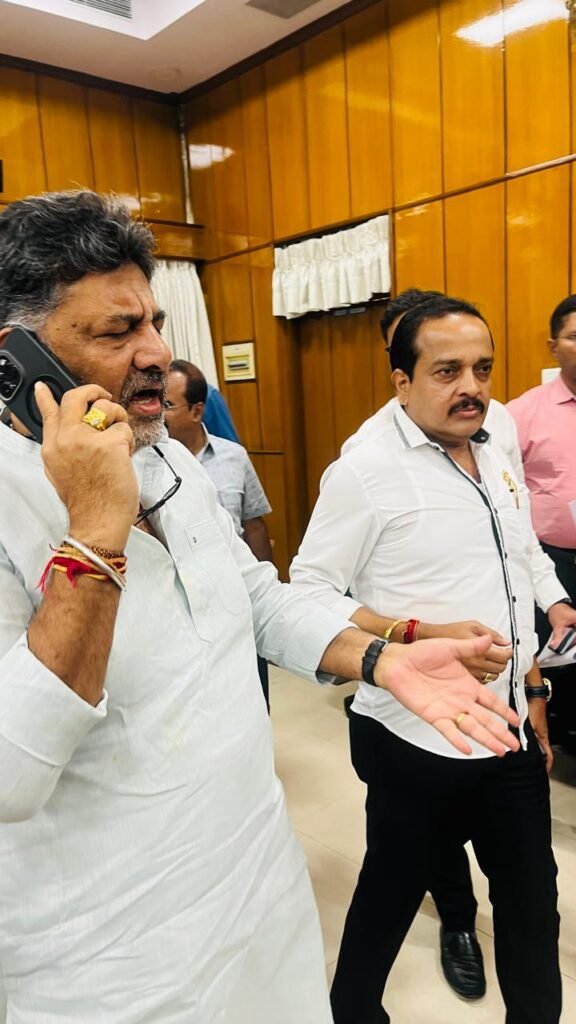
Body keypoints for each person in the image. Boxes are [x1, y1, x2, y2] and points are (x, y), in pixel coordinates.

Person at [0, 192, 518, 1024]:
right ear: (15, 355)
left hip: (257, 884)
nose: (157, 354)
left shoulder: (167, 460)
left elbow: (253, 597)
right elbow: (13, 772)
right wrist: (95, 532)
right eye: (117, 331)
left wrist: (380, 655)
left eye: (154, 322)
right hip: (111, 953)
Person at [290, 295, 562, 1024]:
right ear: (401, 381)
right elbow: (307, 591)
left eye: (482, 369)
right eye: (447, 371)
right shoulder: (366, 470)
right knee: (387, 901)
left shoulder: (495, 446)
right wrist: (413, 632)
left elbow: (517, 565)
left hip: (504, 730)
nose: (471, 387)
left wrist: (534, 693)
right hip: (416, 739)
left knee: (534, 909)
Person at [165, 358, 273, 704]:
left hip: (235, 595)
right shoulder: (148, 463)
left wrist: (267, 591)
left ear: (197, 411)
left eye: (167, 404)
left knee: (252, 695)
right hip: (180, 608)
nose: (159, 413)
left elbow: (254, 524)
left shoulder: (233, 457)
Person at [508, 295, 576, 748]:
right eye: (575, 336)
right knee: (559, 657)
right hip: (552, 562)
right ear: (553, 346)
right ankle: (557, 736)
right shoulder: (521, 413)